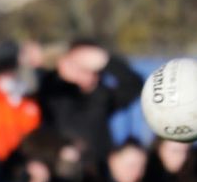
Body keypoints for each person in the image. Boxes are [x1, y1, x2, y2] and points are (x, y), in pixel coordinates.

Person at [34, 39, 143, 170]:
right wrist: (62, 70)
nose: (85, 69)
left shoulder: (102, 96)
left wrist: (107, 61)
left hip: (98, 170)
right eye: (78, 63)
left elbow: (134, 85)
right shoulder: (53, 93)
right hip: (62, 170)